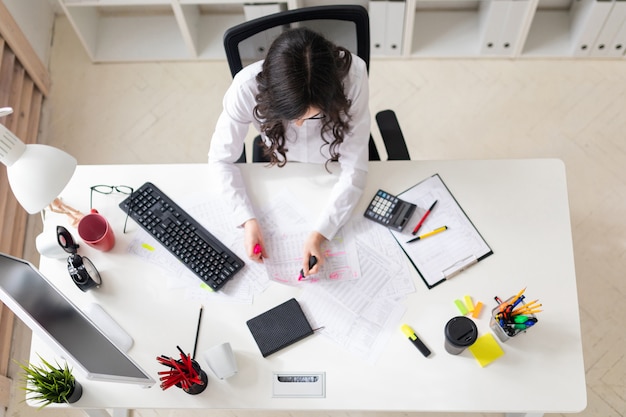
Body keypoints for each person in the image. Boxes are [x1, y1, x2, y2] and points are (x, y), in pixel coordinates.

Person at [208, 27, 370, 278]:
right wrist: (247, 220)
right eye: (292, 115)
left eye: (313, 115)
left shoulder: (354, 78)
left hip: (332, 164)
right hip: (278, 163)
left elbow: (355, 167)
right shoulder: (245, 88)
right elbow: (220, 159)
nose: (299, 125)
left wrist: (320, 234)